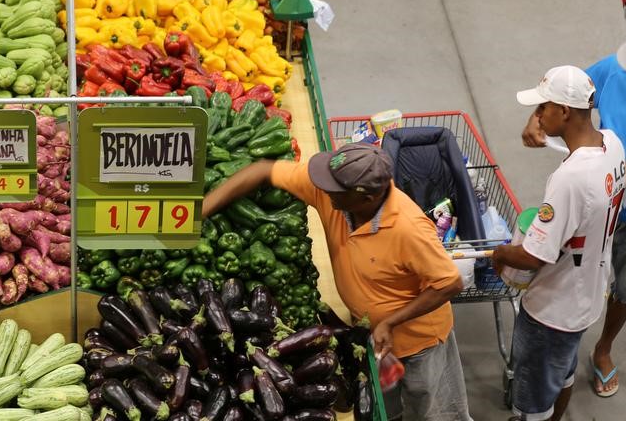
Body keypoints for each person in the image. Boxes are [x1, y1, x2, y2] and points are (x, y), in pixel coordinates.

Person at [202, 143, 472, 420]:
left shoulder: (409, 228)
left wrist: (391, 321)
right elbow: (262, 170)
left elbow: (449, 283)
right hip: (372, 336)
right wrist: (199, 211)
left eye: (333, 188)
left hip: (419, 342)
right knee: (386, 407)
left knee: (431, 409)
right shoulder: (338, 195)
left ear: (364, 196)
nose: (322, 188)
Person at [496, 65, 626, 421]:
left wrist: (500, 252)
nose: (537, 116)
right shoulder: (612, 144)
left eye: (543, 108)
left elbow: (534, 255)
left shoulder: (569, 179)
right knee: (563, 374)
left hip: (550, 311)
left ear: (564, 112)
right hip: (586, 298)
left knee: (533, 399)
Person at [522, 40, 626, 398]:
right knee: (585, 269)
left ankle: (602, 349)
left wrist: (619, 174)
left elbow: (535, 254)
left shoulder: (571, 178)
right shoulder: (616, 69)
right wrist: (537, 115)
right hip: (602, 196)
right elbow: (574, 90)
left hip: (615, 190)